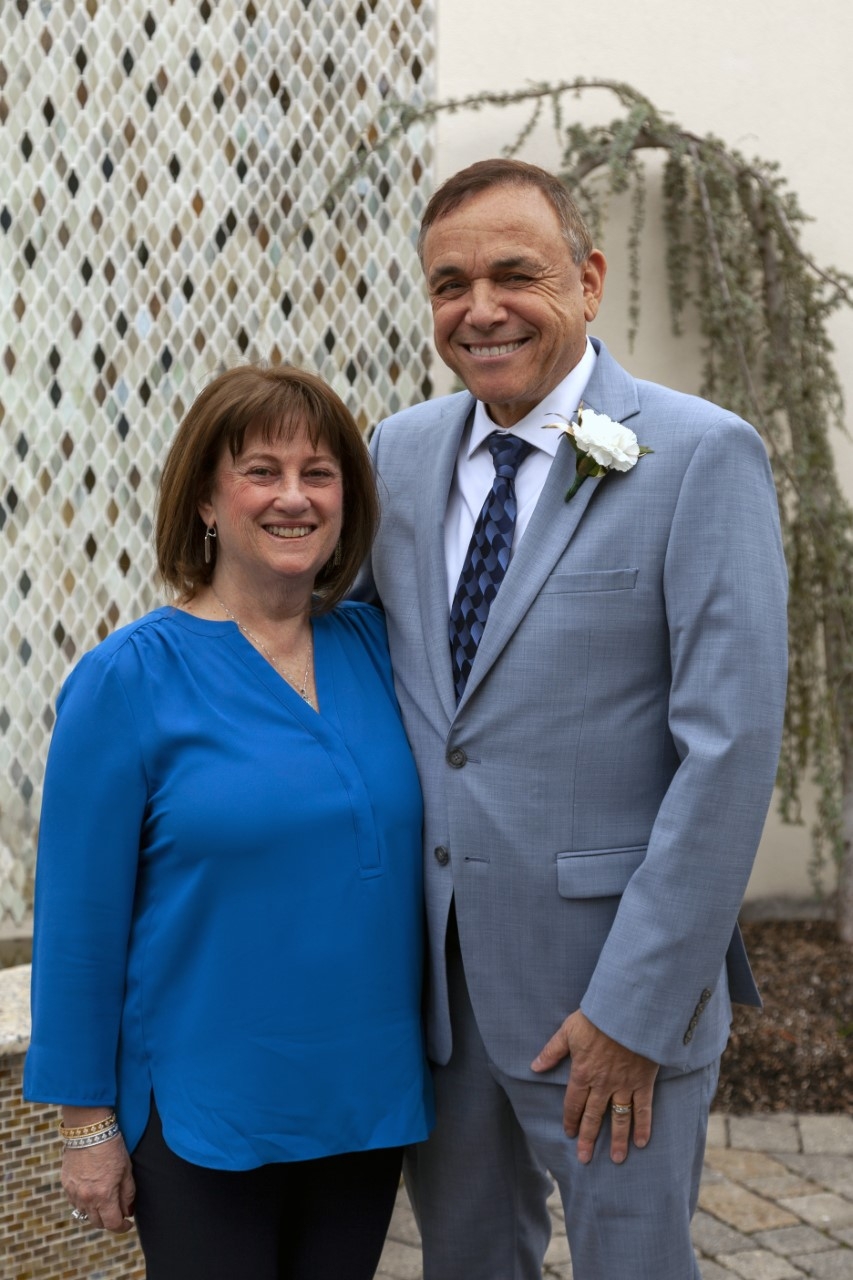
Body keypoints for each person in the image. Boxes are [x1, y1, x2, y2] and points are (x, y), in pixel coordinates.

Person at [354, 158, 788, 1279]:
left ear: (588, 279)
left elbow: (728, 750)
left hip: (606, 995)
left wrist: (636, 1008)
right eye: (449, 283)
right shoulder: (395, 455)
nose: (479, 308)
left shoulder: (699, 454)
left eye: (514, 273)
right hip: (437, 994)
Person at [24, 363, 433, 1280]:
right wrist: (87, 1122)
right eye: (261, 470)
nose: (294, 497)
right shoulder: (128, 679)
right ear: (206, 499)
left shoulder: (381, 650)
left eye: (319, 473)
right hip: (205, 1110)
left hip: (363, 1098)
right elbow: (79, 925)